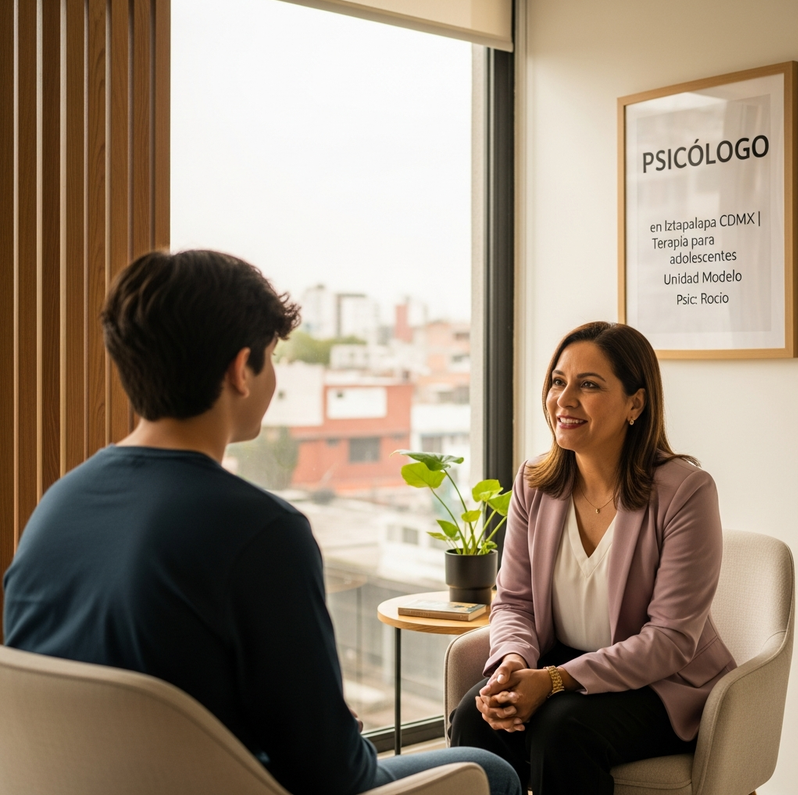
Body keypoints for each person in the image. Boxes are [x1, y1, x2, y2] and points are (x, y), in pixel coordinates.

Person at [3, 249, 521, 795]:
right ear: (240, 370)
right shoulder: (262, 532)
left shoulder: (57, 506)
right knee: (491, 772)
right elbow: (335, 776)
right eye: (272, 357)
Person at [450, 321, 736, 795]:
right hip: (559, 662)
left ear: (635, 404)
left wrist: (554, 680)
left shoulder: (685, 491)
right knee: (475, 718)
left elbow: (669, 639)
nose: (564, 400)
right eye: (558, 381)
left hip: (662, 683)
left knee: (562, 730)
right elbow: (515, 602)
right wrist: (513, 661)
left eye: (589, 385)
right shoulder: (534, 483)